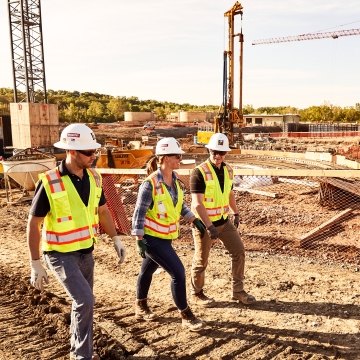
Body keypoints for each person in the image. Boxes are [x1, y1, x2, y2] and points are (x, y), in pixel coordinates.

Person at [27, 123, 127, 360]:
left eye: (95, 151)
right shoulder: (50, 181)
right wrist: (35, 262)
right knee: (85, 300)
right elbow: (34, 224)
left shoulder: (94, 177)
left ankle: (77, 349)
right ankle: (82, 355)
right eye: (88, 152)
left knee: (82, 305)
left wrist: (116, 239)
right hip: (60, 254)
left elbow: (103, 211)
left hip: (85, 252)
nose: (93, 156)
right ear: (71, 151)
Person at [131, 137, 207, 332]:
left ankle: (140, 305)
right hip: (151, 239)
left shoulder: (174, 182)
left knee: (147, 271)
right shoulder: (150, 184)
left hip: (165, 237)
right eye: (176, 156)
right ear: (164, 158)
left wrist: (193, 219)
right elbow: (139, 213)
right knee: (178, 273)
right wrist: (139, 239)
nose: (180, 159)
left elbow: (179, 205)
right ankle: (186, 314)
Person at [190, 132, 256, 306]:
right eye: (214, 152)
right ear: (209, 150)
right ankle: (197, 293)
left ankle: (238, 291)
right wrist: (209, 226)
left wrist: (236, 212)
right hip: (204, 225)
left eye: (222, 152)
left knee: (239, 252)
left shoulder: (228, 170)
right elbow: (197, 204)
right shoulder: (199, 172)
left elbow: (229, 193)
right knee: (201, 260)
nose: (218, 156)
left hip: (223, 221)